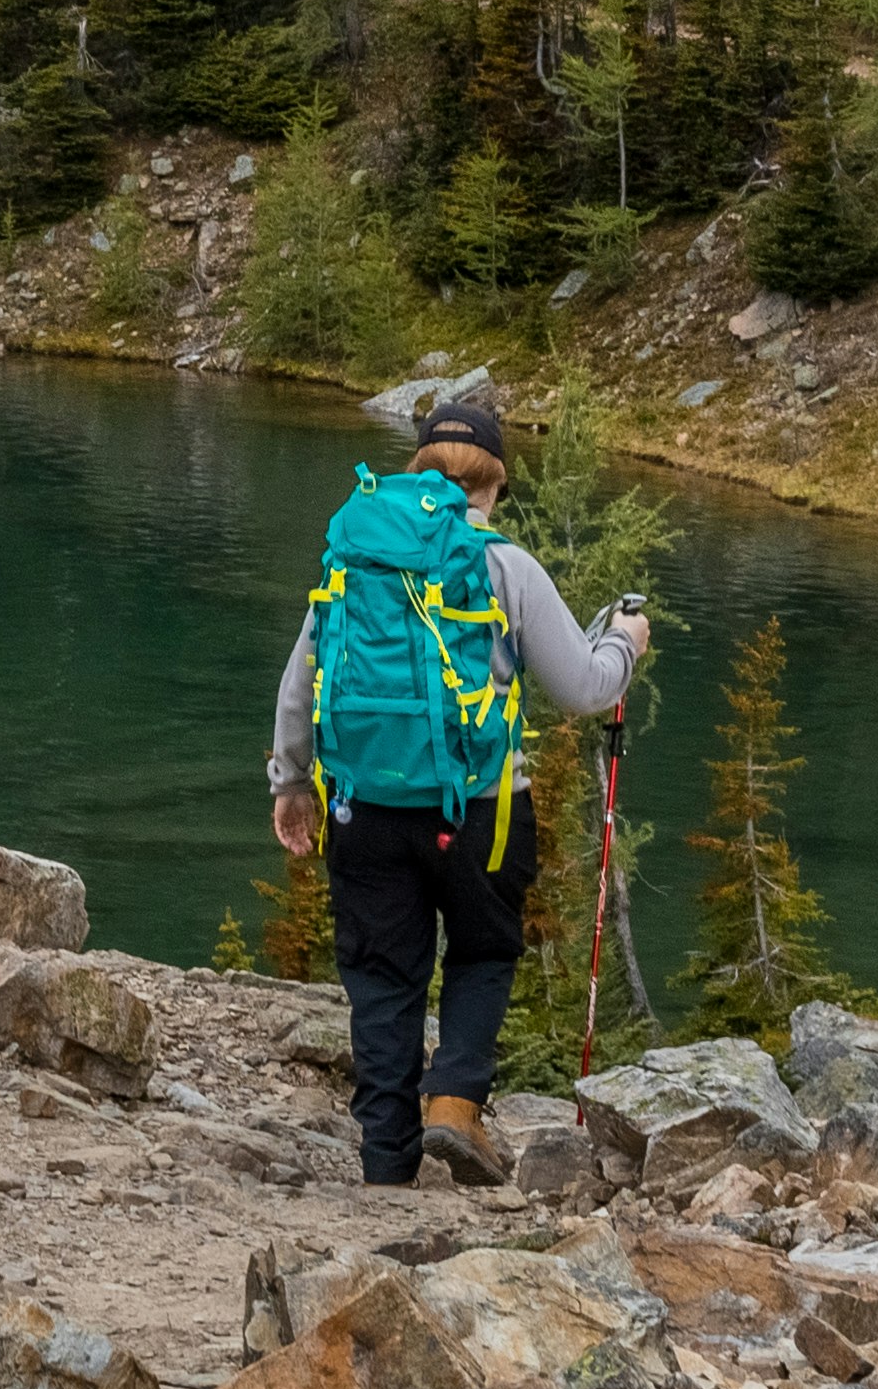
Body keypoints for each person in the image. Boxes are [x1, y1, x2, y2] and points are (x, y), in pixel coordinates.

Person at [267, 377, 645, 1185]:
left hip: (362, 803)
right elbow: (583, 687)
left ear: (422, 466)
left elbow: (301, 681)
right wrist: (627, 642)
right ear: (494, 483)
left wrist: (290, 782)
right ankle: (453, 1104)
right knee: (481, 950)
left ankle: (385, 1163)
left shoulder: (355, 553)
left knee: (381, 976)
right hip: (481, 809)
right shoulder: (501, 561)